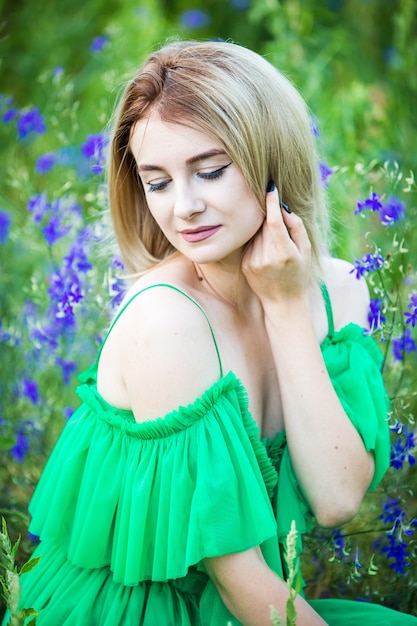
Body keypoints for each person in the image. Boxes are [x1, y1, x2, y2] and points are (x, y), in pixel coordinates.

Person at [5, 40, 417, 626]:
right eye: (158, 181)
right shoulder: (165, 319)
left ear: (273, 161)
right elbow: (238, 578)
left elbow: (336, 498)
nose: (185, 208)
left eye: (211, 170)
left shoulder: (342, 290)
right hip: (145, 611)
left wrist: (285, 309)